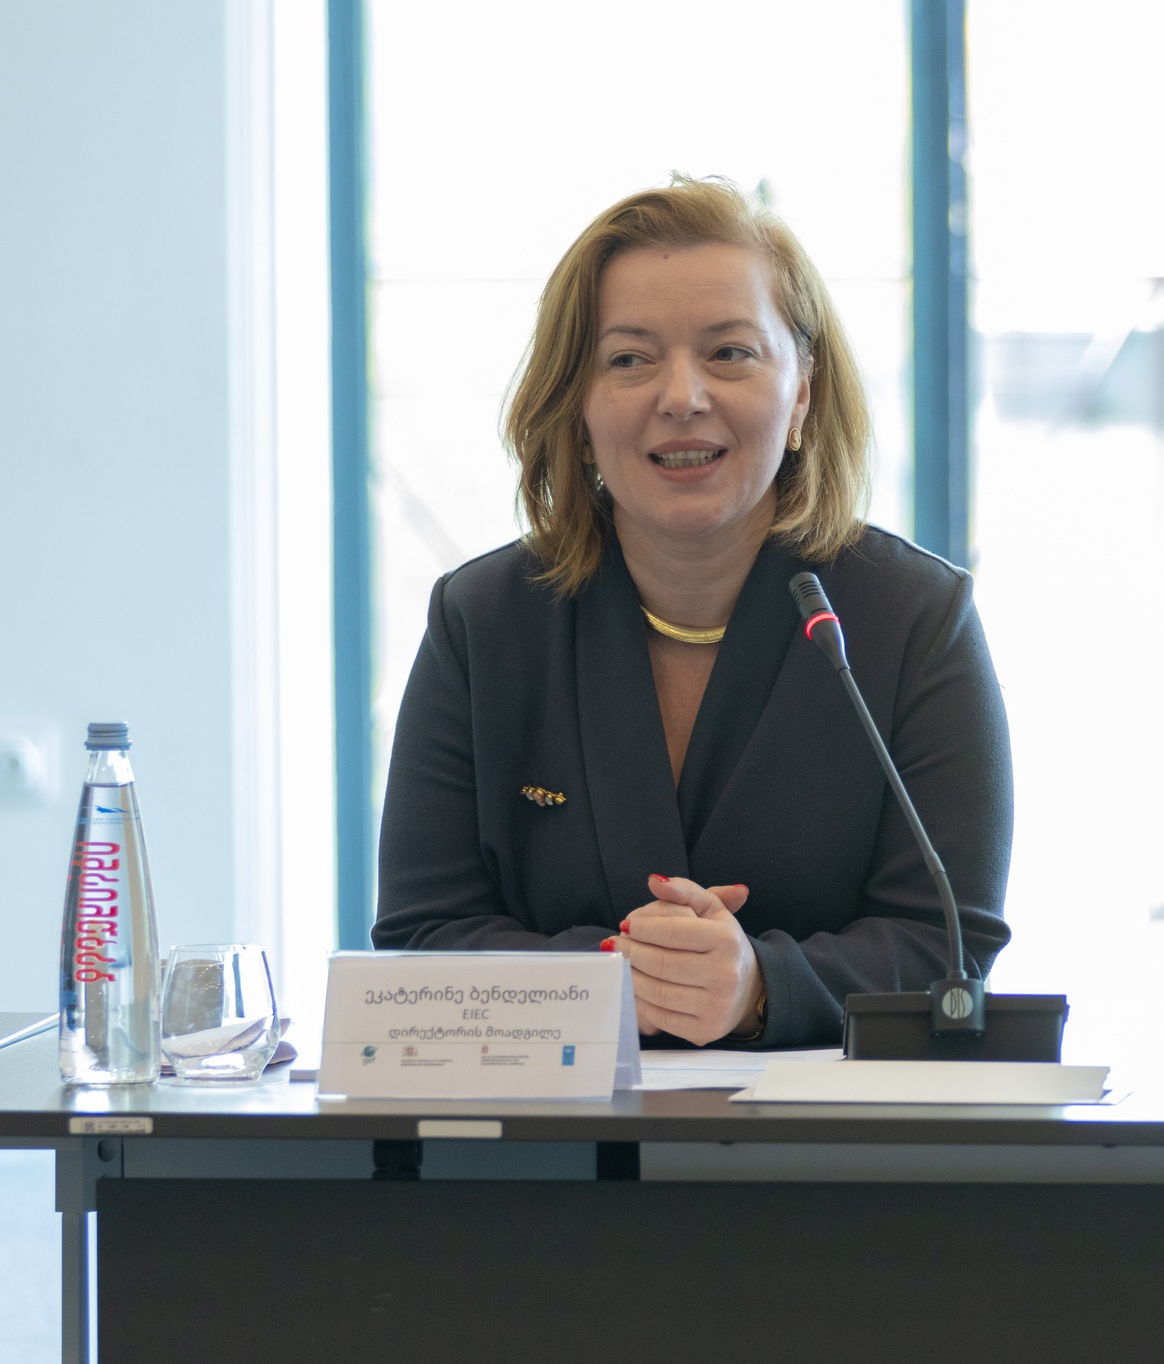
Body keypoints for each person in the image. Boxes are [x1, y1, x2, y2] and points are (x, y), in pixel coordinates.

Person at [373, 178, 1013, 1049]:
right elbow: (420, 939)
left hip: (828, 1134)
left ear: (801, 392)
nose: (681, 396)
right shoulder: (481, 623)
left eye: (730, 353)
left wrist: (763, 985)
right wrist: (618, 979)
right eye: (629, 360)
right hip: (549, 1133)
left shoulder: (916, 619)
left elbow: (948, 942)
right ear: (578, 402)